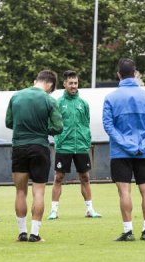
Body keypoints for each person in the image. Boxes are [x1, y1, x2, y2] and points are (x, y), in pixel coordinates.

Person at [104, 58, 145, 241]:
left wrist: (125, 143)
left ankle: (128, 230)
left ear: (119, 74)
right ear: (135, 73)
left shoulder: (111, 98)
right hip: (143, 151)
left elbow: (108, 126)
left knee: (124, 192)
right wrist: (144, 143)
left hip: (121, 152)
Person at [6, 70, 63, 242]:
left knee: (20, 191)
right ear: (50, 85)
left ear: (35, 80)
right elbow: (58, 127)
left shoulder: (16, 97)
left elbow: (9, 122)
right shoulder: (49, 100)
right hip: (39, 147)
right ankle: (35, 233)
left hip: (19, 147)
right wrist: (42, 129)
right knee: (38, 191)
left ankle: (22, 232)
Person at [48, 70, 101, 220]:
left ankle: (90, 209)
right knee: (58, 177)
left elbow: (86, 123)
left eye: (75, 83)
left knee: (85, 177)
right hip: (64, 146)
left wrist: (86, 139)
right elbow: (51, 124)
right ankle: (53, 211)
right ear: (64, 84)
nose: (73, 86)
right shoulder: (57, 103)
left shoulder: (83, 103)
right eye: (70, 83)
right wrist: (59, 137)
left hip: (81, 147)